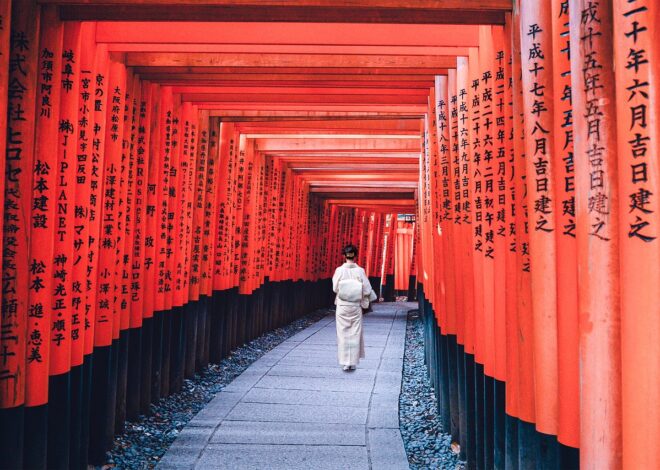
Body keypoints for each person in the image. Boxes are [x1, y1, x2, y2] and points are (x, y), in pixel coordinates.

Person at [332, 244, 377, 371]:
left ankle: (345, 361)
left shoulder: (339, 270)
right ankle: (352, 361)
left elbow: (335, 288)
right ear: (355, 256)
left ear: (344, 256)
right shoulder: (360, 271)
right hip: (355, 306)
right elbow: (367, 289)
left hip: (342, 306)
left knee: (343, 333)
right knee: (355, 333)